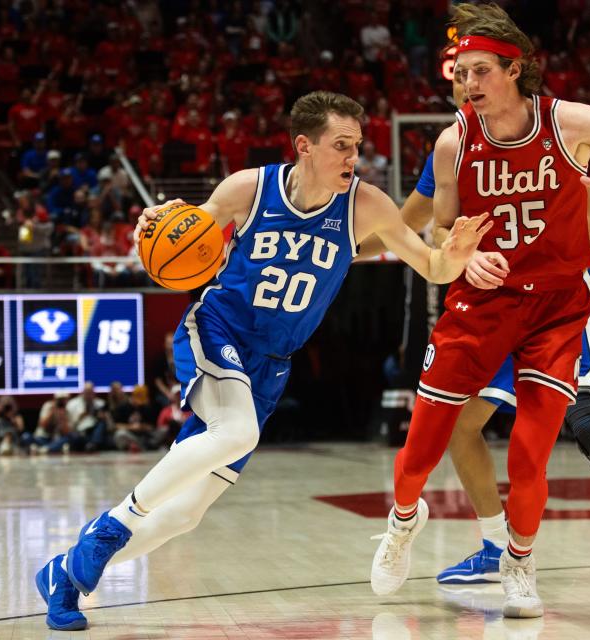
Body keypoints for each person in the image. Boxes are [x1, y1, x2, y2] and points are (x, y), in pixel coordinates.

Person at [35, 91, 490, 631]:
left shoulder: (366, 205)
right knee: (238, 432)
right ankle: (106, 532)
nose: (354, 157)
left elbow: (431, 266)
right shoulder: (249, 188)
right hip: (220, 329)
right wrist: (152, 224)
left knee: (185, 513)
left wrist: (453, 258)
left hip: (272, 363)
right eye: (341, 145)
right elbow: (185, 229)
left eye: (357, 147)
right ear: (304, 145)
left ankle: (66, 571)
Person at [369, 4, 590, 618]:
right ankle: (451, 534)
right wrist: (457, 256)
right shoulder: (454, 140)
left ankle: (582, 556)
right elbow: (432, 227)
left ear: (514, 70)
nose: (467, 84)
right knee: (441, 434)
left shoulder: (570, 124)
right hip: (484, 304)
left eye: (479, 71)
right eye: (461, 73)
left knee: (563, 430)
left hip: (558, 304)